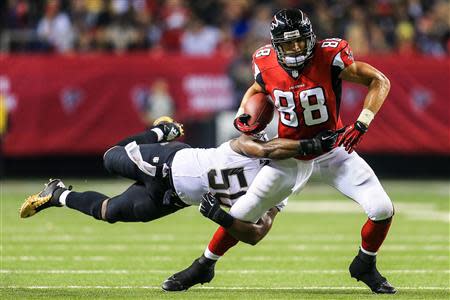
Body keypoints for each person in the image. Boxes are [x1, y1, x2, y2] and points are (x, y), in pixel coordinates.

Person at [163, 9, 395, 294]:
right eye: (288, 43)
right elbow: (256, 89)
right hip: (290, 156)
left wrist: (362, 122)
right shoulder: (265, 62)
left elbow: (379, 80)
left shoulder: (331, 55)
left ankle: (365, 264)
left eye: (300, 41)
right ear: (275, 45)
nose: (296, 48)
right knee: (243, 212)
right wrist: (242, 112)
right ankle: (204, 265)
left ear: (310, 38)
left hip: (333, 148)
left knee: (382, 209)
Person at [20, 117, 337, 246]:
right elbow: (260, 147)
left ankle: (56, 194)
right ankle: (161, 132)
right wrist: (306, 145)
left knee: (110, 212)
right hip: (171, 163)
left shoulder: (287, 182)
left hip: (178, 197)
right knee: (109, 157)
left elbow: (256, 235)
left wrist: (221, 217)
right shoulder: (260, 144)